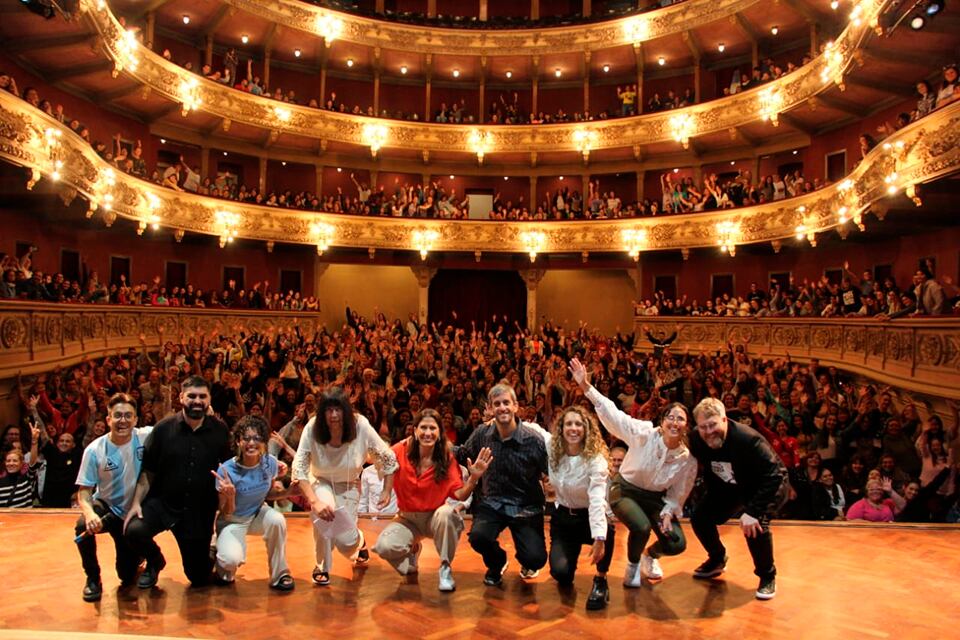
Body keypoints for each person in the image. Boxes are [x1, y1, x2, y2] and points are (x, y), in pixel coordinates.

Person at [571, 358, 695, 589]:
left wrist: (668, 512)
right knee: (641, 527)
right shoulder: (644, 433)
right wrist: (586, 387)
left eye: (680, 419)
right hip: (625, 490)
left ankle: (650, 556)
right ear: (662, 421)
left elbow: (679, 492)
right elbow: (615, 415)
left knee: (676, 542)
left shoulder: (686, 458)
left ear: (686, 426)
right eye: (670, 417)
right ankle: (633, 565)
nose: (674, 422)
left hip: (655, 499)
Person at [123, 376, 232, 588]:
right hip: (163, 504)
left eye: (202, 396)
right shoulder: (163, 429)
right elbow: (148, 471)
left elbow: (229, 468)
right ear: (181, 397)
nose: (197, 401)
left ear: (209, 399)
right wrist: (136, 503)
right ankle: (155, 561)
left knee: (198, 578)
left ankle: (210, 549)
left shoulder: (220, 430)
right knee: (134, 530)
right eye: (192, 396)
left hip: (198, 511)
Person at [372, 408, 492, 592]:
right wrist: (386, 490)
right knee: (384, 547)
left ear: (439, 432)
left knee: (447, 513)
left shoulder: (446, 457)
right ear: (415, 430)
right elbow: (387, 464)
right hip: (407, 519)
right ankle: (412, 553)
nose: (427, 433)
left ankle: (445, 568)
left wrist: (474, 478)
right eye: (423, 427)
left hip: (435, 517)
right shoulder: (399, 450)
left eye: (432, 428)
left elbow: (460, 495)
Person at [292, 387, 398, 586]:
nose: (334, 415)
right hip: (320, 481)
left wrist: (387, 489)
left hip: (349, 485)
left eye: (338, 409)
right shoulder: (312, 427)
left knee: (345, 543)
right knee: (325, 515)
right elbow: (300, 466)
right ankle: (322, 566)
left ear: (346, 410)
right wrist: (314, 501)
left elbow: (387, 457)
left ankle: (360, 541)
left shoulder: (361, 425)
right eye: (329, 410)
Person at [689, 397, 789, 600]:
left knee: (755, 527)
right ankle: (717, 558)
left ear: (724, 420)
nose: (708, 431)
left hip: (765, 486)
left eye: (713, 425)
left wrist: (753, 511)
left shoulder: (748, 439)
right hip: (730, 486)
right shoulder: (697, 439)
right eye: (703, 427)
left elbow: (775, 475)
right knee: (700, 517)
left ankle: (767, 576)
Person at [454, 382, 549, 586]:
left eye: (506, 402)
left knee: (536, 559)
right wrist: (434, 445)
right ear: (490, 408)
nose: (502, 407)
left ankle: (526, 559)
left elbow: (551, 470)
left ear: (515, 406)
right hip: (493, 502)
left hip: (526, 506)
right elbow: (462, 453)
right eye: (497, 404)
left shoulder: (534, 440)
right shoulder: (482, 434)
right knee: (478, 538)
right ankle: (497, 563)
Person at [527, 403, 615, 610]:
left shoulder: (596, 459)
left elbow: (597, 500)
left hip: (588, 516)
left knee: (607, 531)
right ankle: (570, 557)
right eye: (568, 424)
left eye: (578, 424)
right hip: (564, 518)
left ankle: (601, 580)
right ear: (561, 428)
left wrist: (599, 538)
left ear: (586, 429)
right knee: (561, 575)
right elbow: (534, 429)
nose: (573, 428)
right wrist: (499, 420)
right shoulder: (553, 448)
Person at [74, 393, 152, 602]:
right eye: (117, 415)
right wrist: (90, 514)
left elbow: (174, 426)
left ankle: (137, 556)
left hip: (133, 512)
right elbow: (84, 491)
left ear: (135, 419)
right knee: (82, 527)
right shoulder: (94, 450)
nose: (122, 420)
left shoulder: (145, 436)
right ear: (108, 419)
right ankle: (92, 578)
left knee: (126, 576)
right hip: (107, 507)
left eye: (128, 415)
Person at [211, 415, 294, 591]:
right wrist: (230, 496)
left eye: (257, 438)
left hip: (256, 514)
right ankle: (220, 555)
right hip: (232, 520)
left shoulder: (270, 463)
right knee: (229, 562)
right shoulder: (226, 471)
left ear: (264, 442)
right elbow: (225, 513)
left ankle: (280, 574)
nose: (251, 443)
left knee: (277, 520)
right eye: (246, 438)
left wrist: (288, 492)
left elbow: (268, 494)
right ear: (238, 441)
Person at [0, 422, 41, 507]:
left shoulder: (27, 478)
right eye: (8, 461)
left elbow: (33, 463)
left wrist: (34, 441)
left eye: (15, 461)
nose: (11, 463)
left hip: (25, 515)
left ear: (21, 463)